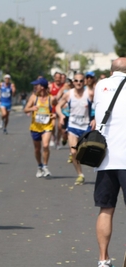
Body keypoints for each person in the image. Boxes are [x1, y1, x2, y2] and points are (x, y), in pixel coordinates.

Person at [93, 58, 126, 267]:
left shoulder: (100, 86)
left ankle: (103, 259)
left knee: (106, 209)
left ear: (111, 70)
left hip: (105, 159)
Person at [56, 73, 95, 185]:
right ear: (73, 82)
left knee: (87, 152)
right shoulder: (68, 94)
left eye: (81, 81)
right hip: (73, 126)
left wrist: (95, 119)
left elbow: (99, 105)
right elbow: (58, 106)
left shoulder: (90, 94)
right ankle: (80, 175)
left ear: (84, 82)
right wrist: (62, 115)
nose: (78, 83)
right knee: (73, 152)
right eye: (76, 81)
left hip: (86, 126)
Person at [24, 77, 57, 178]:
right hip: (35, 127)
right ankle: (39, 166)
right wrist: (31, 108)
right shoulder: (34, 97)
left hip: (47, 126)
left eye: (36, 85)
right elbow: (25, 109)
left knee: (46, 145)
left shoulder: (51, 98)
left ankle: (45, 166)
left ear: (42, 87)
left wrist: (55, 115)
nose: (34, 87)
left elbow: (56, 109)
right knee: (37, 149)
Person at [49, 72, 67, 148]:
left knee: (60, 127)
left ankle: (57, 142)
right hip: (52, 108)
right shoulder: (51, 86)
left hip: (61, 109)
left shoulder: (64, 86)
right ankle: (53, 136)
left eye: (59, 77)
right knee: (52, 125)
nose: (58, 79)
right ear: (54, 78)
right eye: (56, 77)